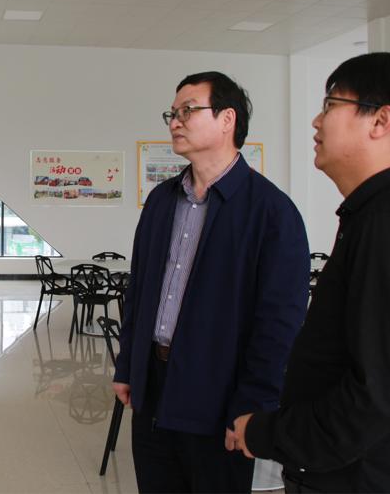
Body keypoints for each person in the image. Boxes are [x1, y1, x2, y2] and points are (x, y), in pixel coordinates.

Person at [232, 51, 390, 493]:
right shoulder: (386, 212)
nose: (316, 121)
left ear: (381, 120)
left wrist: (268, 434)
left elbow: (380, 397)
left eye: (330, 105)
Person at [113, 71, 310, 493]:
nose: (175, 121)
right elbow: (140, 291)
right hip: (154, 387)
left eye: (188, 110)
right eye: (172, 113)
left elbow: (279, 324)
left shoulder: (272, 211)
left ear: (227, 119)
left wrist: (254, 404)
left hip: (219, 396)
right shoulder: (161, 200)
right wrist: (128, 366)